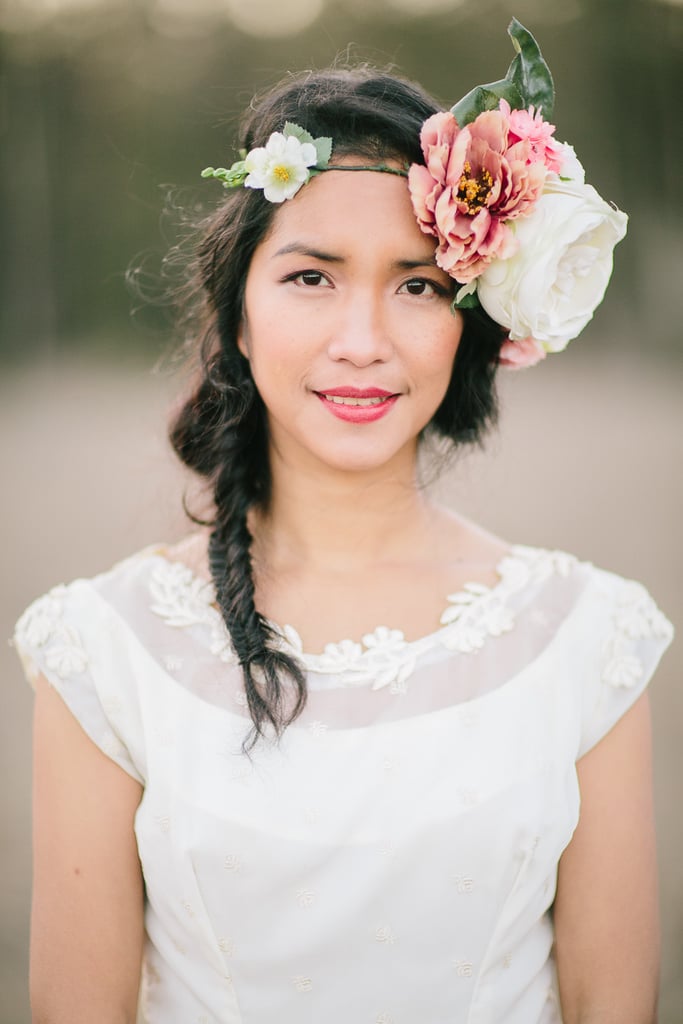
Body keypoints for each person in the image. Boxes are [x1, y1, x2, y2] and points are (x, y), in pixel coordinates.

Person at [14, 20, 673, 1024]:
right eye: (310, 277)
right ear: (237, 313)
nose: (362, 341)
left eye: (416, 285)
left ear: (471, 322)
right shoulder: (102, 650)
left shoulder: (587, 638)